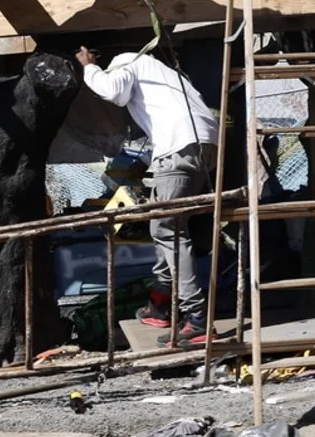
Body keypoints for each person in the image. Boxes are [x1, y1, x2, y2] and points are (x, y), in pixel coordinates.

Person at [76, 46, 219, 346]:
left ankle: (197, 319)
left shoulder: (127, 61)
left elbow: (112, 90)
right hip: (205, 148)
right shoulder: (168, 75)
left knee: (167, 229)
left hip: (179, 149)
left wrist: (89, 67)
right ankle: (160, 304)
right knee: (166, 225)